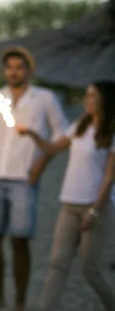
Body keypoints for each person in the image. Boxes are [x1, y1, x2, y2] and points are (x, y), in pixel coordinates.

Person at [0, 47, 69, 311]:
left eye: (19, 67)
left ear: (29, 70)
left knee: (20, 240)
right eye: (10, 67)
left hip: (24, 179)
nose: (14, 71)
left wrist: (41, 164)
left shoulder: (44, 98)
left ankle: (21, 302)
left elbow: (63, 136)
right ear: (5, 70)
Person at [17, 80, 115, 311]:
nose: (87, 100)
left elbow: (110, 177)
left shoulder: (111, 131)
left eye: (92, 96)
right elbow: (52, 149)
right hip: (69, 204)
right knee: (57, 263)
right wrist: (31, 133)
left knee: (89, 267)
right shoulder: (81, 124)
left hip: (94, 206)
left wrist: (95, 210)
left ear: (105, 100)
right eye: (87, 95)